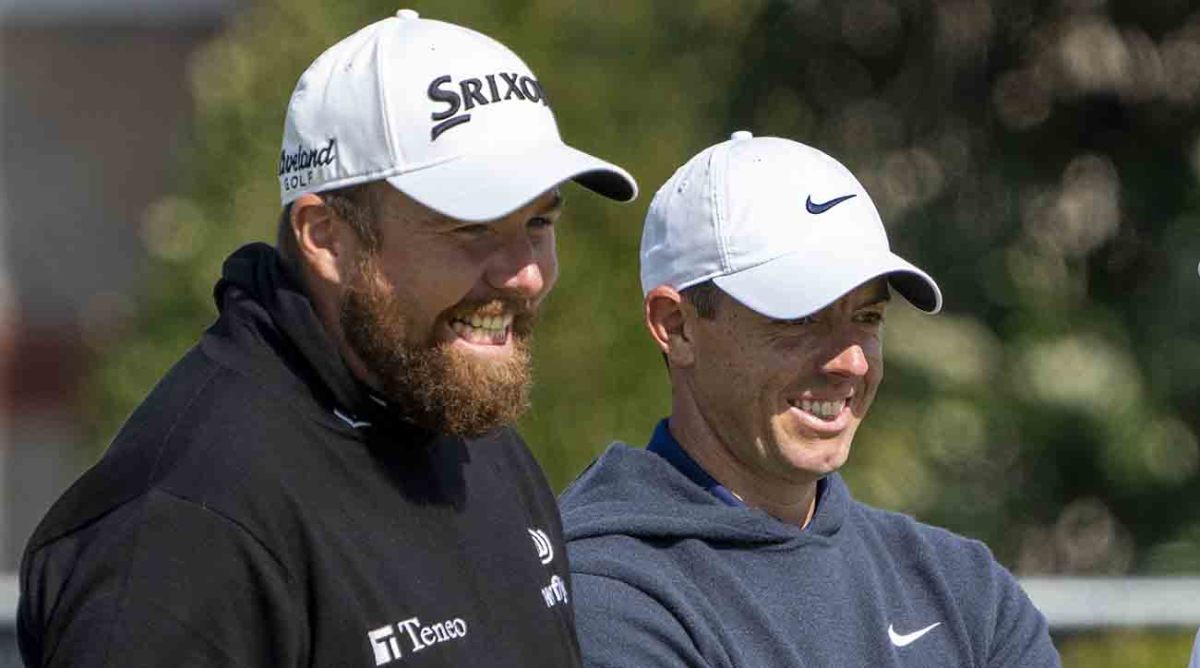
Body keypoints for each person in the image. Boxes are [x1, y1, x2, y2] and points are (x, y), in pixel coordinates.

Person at [18, 9, 636, 667]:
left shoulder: (466, 428)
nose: (527, 274)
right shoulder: (187, 524)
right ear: (327, 238)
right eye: (473, 229)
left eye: (539, 224)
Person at [559, 131, 1059, 666]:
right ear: (676, 327)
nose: (850, 362)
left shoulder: (964, 590)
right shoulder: (604, 588)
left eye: (867, 318)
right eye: (799, 318)